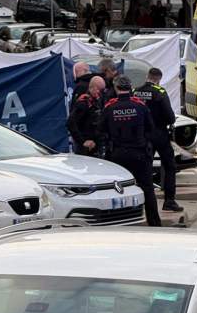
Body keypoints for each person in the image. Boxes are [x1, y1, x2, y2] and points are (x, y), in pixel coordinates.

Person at [99, 76, 161, 227]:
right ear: (131, 87)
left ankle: (120, 222)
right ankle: (154, 223)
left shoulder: (110, 107)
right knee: (147, 188)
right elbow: (151, 128)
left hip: (118, 154)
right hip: (139, 153)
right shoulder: (140, 106)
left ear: (116, 88)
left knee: (118, 189)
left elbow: (100, 129)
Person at [134, 68, 182, 212]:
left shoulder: (136, 91)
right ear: (158, 79)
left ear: (147, 77)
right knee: (169, 166)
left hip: (142, 135)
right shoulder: (160, 92)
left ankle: (143, 201)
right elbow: (170, 117)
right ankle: (169, 201)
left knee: (144, 168)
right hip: (159, 134)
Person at [67, 76, 106, 156]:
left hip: (96, 145)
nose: (101, 93)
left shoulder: (97, 102)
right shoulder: (83, 103)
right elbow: (70, 123)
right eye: (100, 90)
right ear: (94, 88)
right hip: (86, 148)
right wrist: (82, 141)